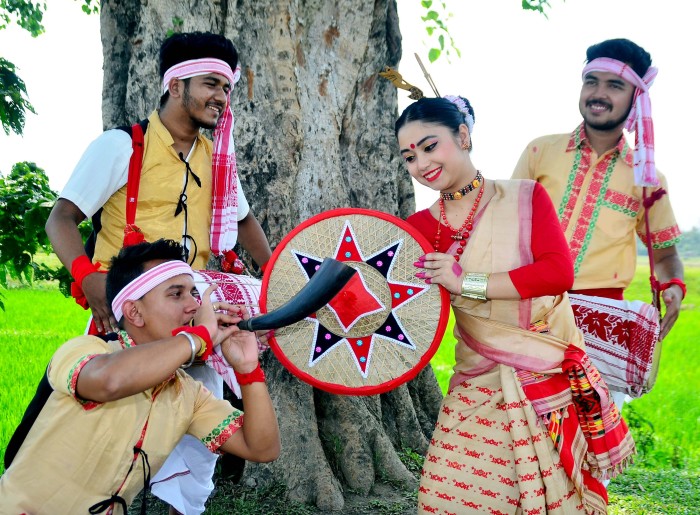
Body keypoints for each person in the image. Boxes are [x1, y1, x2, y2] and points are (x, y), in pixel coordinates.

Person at [44, 31, 272, 514]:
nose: (220, 96)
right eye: (210, 83)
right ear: (174, 85)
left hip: (192, 306)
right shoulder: (120, 146)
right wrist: (89, 279)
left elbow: (244, 220)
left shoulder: (217, 158)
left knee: (196, 402)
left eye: (227, 87)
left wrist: (276, 274)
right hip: (131, 314)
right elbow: (59, 219)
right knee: (113, 425)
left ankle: (175, 505)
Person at [396, 95, 635, 513]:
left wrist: (464, 281)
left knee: (545, 496)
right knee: (445, 496)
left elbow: (557, 273)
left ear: (464, 136)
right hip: (475, 374)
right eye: (409, 157)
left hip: (539, 370)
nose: (421, 164)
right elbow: (407, 309)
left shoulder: (525, 198)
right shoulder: (417, 228)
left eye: (430, 146)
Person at [0, 239, 280, 514]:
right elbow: (109, 381)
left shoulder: (186, 393)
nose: (194, 307)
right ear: (134, 311)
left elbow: (262, 448)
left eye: (194, 294)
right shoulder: (87, 350)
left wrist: (247, 369)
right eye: (176, 294)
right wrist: (198, 338)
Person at [511, 39, 685, 399]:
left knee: (592, 434)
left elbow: (666, 255)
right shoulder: (540, 152)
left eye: (614, 85)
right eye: (592, 81)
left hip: (601, 324)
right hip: (529, 310)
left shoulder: (647, 178)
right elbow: (504, 226)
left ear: (636, 97)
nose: (598, 93)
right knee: (519, 422)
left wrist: (673, 286)